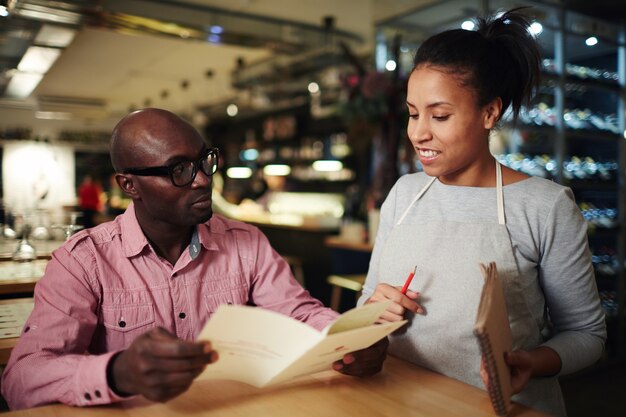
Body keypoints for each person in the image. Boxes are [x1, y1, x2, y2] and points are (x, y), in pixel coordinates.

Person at [1, 108, 388, 410]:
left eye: (205, 160)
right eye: (179, 170)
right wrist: (117, 372)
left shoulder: (246, 242)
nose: (203, 179)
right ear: (129, 185)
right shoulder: (83, 262)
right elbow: (21, 380)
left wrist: (348, 339)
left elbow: (300, 313)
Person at [358, 9, 606, 417]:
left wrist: (533, 362)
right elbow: (369, 296)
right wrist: (371, 311)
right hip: (400, 399)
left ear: (490, 112)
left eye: (439, 116)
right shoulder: (404, 193)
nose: (419, 132)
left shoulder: (544, 205)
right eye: (412, 113)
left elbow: (587, 335)